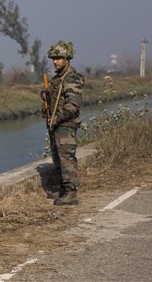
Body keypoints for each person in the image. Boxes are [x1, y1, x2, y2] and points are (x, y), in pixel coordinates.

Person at [41, 40, 85, 205]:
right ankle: (62, 188)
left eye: (59, 58)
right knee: (57, 157)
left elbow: (73, 105)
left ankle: (71, 193)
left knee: (66, 157)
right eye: (53, 58)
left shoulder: (72, 78)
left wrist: (57, 118)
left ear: (67, 59)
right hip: (56, 124)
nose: (55, 61)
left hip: (66, 124)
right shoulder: (57, 79)